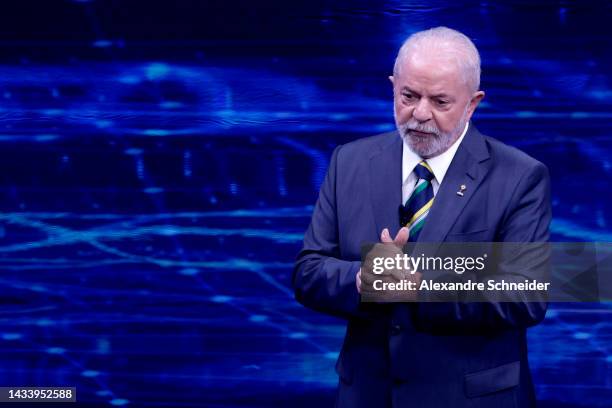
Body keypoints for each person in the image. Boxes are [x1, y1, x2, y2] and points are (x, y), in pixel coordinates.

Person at [292, 26, 551, 407]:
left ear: (473, 103)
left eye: (440, 101)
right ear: (393, 86)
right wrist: (362, 279)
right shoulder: (349, 162)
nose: (420, 114)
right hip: (369, 395)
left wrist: (419, 284)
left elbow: (525, 295)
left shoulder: (520, 176)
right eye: (408, 96)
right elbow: (308, 272)